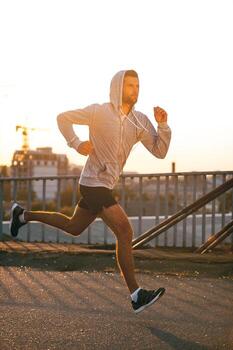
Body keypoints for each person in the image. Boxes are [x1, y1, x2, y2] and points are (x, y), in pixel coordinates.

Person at [10, 69, 171, 313]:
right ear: (117, 88)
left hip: (105, 184)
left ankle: (22, 215)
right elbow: (62, 118)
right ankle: (137, 295)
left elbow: (160, 152)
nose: (134, 90)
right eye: (129, 85)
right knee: (125, 231)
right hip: (92, 182)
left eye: (137, 85)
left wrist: (163, 124)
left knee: (73, 227)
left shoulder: (139, 121)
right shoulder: (98, 111)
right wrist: (76, 143)